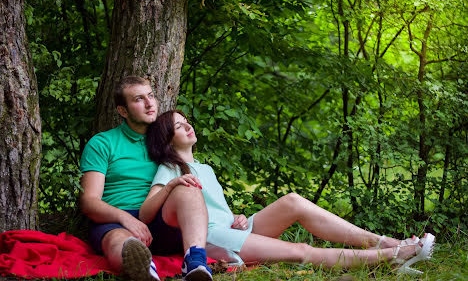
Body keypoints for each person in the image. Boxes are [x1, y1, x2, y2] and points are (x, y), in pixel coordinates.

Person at [140, 110, 435, 275]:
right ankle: (392, 255)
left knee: (293, 201)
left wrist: (238, 217)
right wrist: (173, 185)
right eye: (179, 126)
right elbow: (147, 211)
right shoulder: (170, 167)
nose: (188, 125)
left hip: (230, 229)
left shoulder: (206, 168)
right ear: (167, 140)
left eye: (186, 120)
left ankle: (384, 241)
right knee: (299, 251)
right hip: (213, 238)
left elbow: (217, 211)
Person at [79, 77, 213, 281]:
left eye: (150, 96)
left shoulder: (167, 140)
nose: (150, 103)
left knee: (188, 187)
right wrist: (126, 218)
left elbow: (200, 176)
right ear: (123, 111)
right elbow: (89, 201)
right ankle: (142, 269)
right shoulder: (103, 143)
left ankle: (195, 263)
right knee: (120, 241)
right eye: (139, 99)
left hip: (162, 219)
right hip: (117, 219)